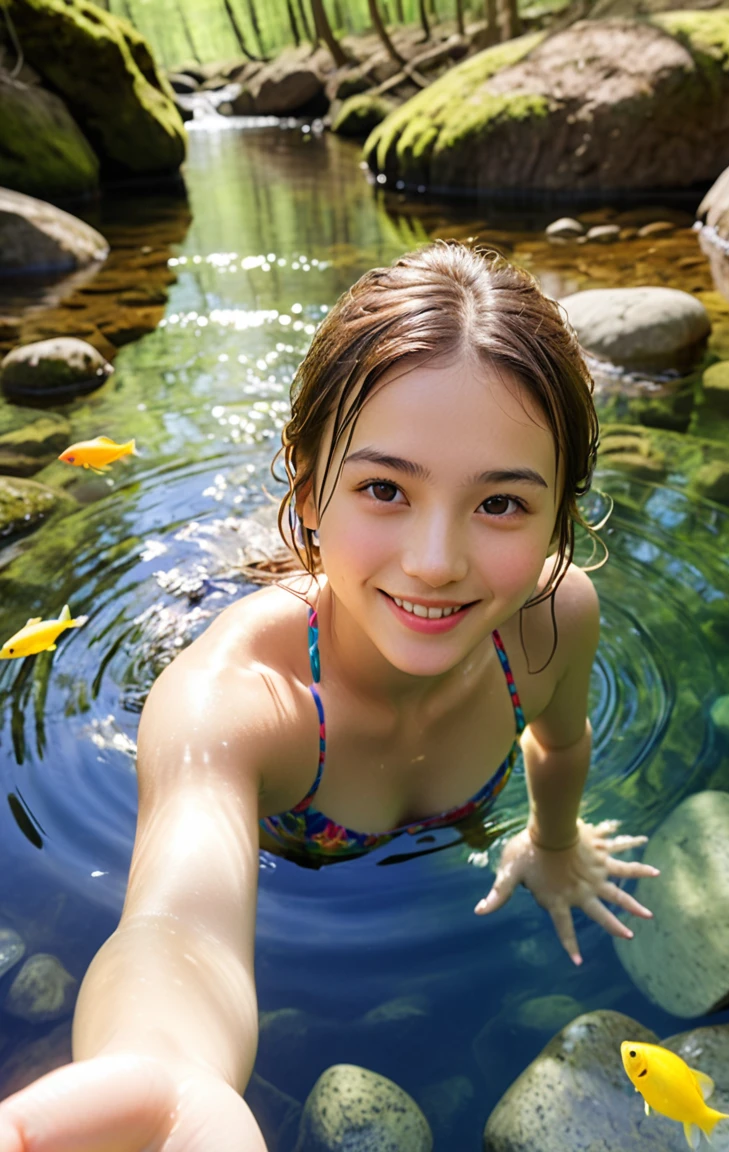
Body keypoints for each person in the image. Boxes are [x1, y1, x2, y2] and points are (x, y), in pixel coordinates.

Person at [0, 241, 658, 1151]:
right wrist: (169, 1073)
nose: (437, 560)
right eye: (384, 488)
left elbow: (562, 741)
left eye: (501, 504)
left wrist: (553, 842)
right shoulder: (232, 706)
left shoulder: (552, 619)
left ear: (559, 515)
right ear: (309, 491)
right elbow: (177, 927)